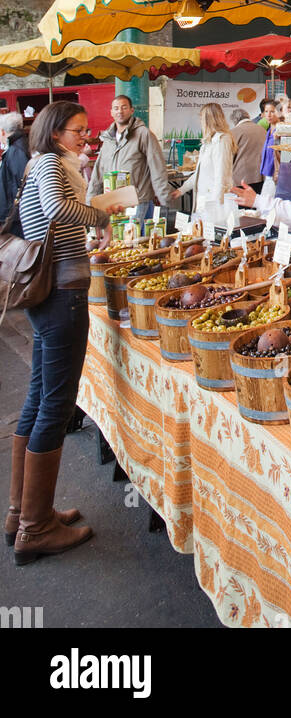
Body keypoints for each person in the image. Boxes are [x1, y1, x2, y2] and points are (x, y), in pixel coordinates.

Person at [9, 101, 121, 563]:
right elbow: (58, 208)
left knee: (38, 396)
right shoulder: (53, 164)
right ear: (55, 132)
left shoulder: (39, 163)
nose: (85, 136)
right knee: (56, 402)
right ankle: (35, 529)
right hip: (62, 295)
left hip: (46, 293)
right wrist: (102, 215)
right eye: (78, 130)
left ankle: (22, 512)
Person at [87, 93, 174, 227]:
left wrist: (165, 199)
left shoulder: (143, 134)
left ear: (132, 110)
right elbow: (98, 172)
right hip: (113, 204)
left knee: (136, 241)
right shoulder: (108, 139)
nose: (120, 112)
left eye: (124, 107)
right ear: (111, 112)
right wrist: (90, 202)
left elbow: (157, 167)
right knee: (120, 243)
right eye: (116, 108)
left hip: (138, 201)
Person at [175, 103, 236, 212]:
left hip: (213, 203)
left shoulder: (222, 140)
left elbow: (221, 175)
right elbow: (200, 173)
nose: (200, 122)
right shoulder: (208, 142)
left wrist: (215, 206)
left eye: (201, 118)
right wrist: (181, 190)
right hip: (204, 201)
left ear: (209, 119)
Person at [0, 111, 30, 231]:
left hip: (16, 216)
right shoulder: (21, 146)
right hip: (16, 214)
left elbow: (22, 182)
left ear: (3, 132)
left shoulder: (16, 150)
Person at [230, 108, 266, 193]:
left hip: (241, 178)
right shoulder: (262, 130)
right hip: (260, 175)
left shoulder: (234, 132)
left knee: (243, 205)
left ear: (235, 120)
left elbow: (229, 156)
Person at [259, 96, 284, 184]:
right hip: (267, 175)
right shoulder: (269, 130)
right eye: (266, 111)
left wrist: (276, 140)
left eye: (272, 111)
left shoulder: (281, 130)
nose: (268, 115)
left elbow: (284, 154)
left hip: (277, 175)